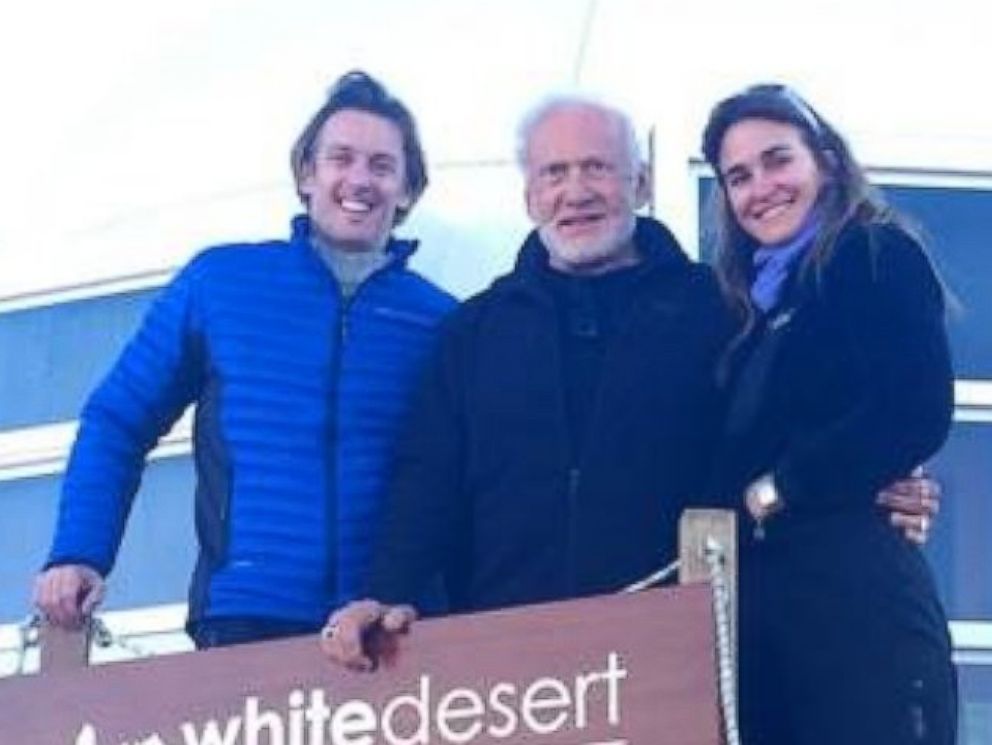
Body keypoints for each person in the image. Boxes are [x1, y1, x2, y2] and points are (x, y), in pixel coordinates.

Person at [320, 94, 941, 672]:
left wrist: (880, 484)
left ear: (640, 184)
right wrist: (389, 591)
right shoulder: (473, 332)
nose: (576, 191)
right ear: (529, 195)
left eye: (598, 168)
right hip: (510, 662)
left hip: (675, 653)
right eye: (554, 173)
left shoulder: (724, 310)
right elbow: (427, 477)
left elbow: (802, 427)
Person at [32, 71, 457, 648]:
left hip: (389, 629)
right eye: (341, 158)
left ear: (408, 190)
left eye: (382, 166)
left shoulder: (440, 320)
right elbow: (118, 420)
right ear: (307, 174)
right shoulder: (222, 283)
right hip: (246, 620)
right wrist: (80, 552)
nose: (359, 179)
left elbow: (469, 477)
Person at [700, 84, 957, 744]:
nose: (762, 187)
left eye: (777, 159)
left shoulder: (872, 255)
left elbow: (912, 408)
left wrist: (777, 489)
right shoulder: (749, 307)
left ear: (826, 162)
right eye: (739, 176)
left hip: (857, 606)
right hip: (768, 613)